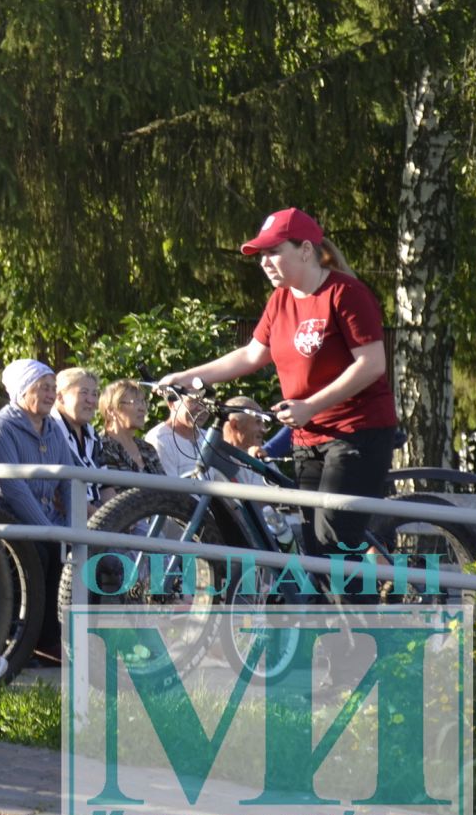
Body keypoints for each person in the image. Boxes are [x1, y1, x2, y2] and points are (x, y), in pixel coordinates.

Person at [161, 207, 399, 564]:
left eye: (274, 252)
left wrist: (311, 405)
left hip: (356, 434)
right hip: (307, 437)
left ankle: (361, 618)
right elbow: (251, 355)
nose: (264, 262)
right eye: (261, 255)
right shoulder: (280, 299)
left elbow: (372, 364)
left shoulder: (346, 293)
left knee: (332, 542)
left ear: (305, 250)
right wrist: (186, 376)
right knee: (315, 547)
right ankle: (330, 618)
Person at [0, 359, 78, 528]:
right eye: (44, 388)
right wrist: (49, 532)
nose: (51, 396)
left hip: (54, 522)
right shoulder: (2, 426)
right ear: (23, 390)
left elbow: (70, 482)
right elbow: (14, 490)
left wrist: (74, 529)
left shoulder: (54, 429)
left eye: (54, 389)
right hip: (13, 524)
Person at [94, 379, 163, 478]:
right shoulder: (101, 447)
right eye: (135, 402)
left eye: (143, 402)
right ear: (111, 411)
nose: (142, 408)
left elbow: (165, 487)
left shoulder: (147, 448)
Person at [145, 387, 209, 478]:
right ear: (172, 404)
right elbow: (169, 488)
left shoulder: (208, 438)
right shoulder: (160, 439)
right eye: (193, 401)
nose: (201, 408)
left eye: (205, 403)